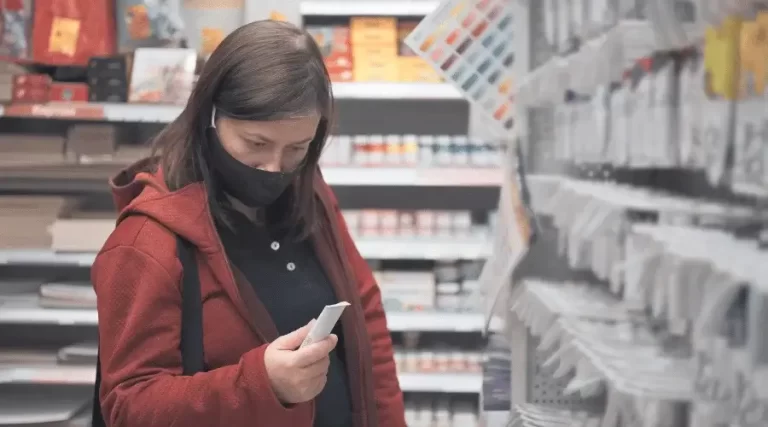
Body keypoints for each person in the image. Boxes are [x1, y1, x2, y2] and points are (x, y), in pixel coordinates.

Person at [91, 20, 406, 427]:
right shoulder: (146, 242)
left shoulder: (310, 195)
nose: (275, 168)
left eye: (297, 148)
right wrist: (261, 384)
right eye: (256, 144)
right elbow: (128, 405)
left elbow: (366, 321)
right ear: (210, 118)